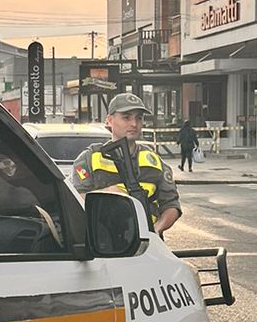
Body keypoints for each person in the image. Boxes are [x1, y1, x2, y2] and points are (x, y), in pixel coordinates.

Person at [72, 92, 182, 234]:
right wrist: (106, 194)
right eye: (126, 117)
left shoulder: (154, 161)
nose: (134, 124)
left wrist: (156, 230)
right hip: (103, 243)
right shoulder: (89, 158)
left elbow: (171, 205)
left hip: (149, 247)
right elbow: (76, 201)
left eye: (139, 118)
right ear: (109, 120)